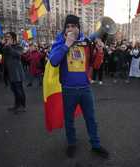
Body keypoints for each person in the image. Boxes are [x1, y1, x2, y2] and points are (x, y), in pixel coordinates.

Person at [48, 14, 109, 159]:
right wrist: (66, 45)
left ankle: (95, 144)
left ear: (78, 27)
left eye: (73, 26)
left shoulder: (87, 42)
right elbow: (54, 61)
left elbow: (95, 65)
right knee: (69, 119)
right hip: (68, 90)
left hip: (85, 89)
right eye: (68, 26)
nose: (70, 29)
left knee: (91, 119)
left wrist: (100, 51)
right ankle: (71, 143)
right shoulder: (59, 42)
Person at [0, 32, 26, 113]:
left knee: (19, 90)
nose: (6, 38)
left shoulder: (18, 46)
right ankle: (16, 105)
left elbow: (17, 54)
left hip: (17, 73)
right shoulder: (5, 47)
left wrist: (9, 46)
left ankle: (23, 106)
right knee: (14, 90)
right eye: (6, 37)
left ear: (13, 38)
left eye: (8, 37)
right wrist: (1, 44)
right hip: (9, 72)